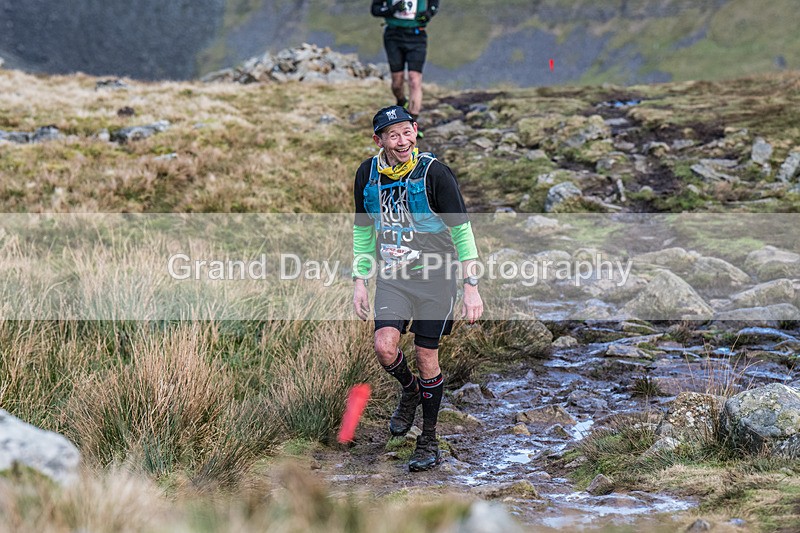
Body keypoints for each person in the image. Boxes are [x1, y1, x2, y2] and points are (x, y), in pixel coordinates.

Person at [352, 105, 483, 472]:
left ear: (416, 131)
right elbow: (363, 232)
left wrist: (471, 286)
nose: (402, 141)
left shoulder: (435, 174)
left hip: (437, 279)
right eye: (393, 135)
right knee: (383, 347)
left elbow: (462, 231)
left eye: (407, 132)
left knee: (427, 358)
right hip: (393, 276)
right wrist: (359, 281)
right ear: (379, 140)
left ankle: (428, 439)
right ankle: (409, 389)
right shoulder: (367, 175)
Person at [370, 0, 439, 123]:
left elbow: (434, 3)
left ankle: (413, 124)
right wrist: (392, 9)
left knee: (414, 79)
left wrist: (429, 12)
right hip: (393, 36)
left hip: (417, 35)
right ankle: (402, 101)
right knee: (397, 83)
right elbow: (375, 9)